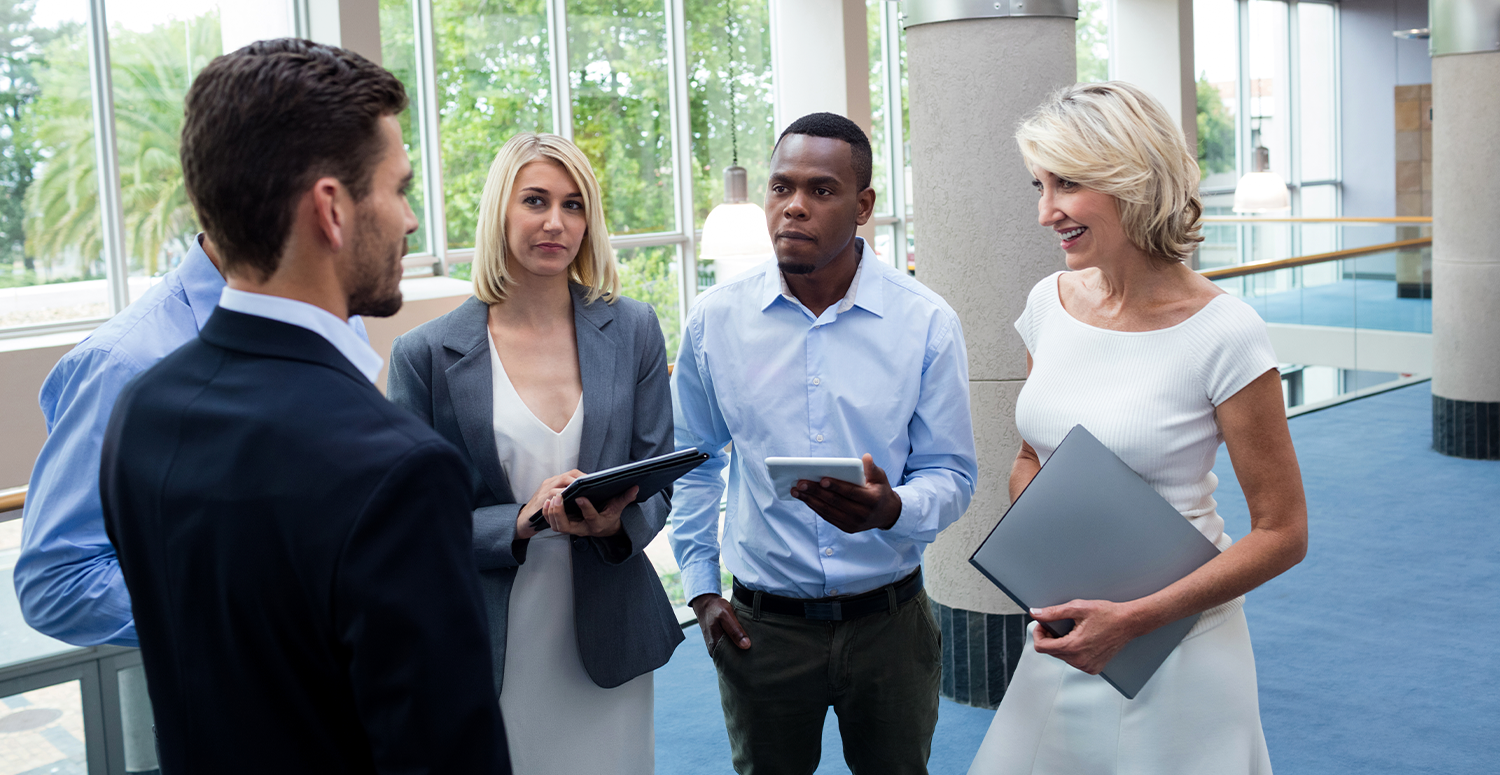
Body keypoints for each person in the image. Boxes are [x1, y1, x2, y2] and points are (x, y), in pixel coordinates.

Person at [99, 39, 508, 773]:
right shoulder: (398, 468)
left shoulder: (142, 409)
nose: (410, 219)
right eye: (398, 187)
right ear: (333, 209)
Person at [968, 82, 1308, 774]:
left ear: (1132, 180)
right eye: (1039, 184)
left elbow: (1284, 532)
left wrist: (1135, 619)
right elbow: (1033, 452)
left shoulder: (1226, 333)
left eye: (1066, 184)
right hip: (1067, 628)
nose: (1045, 212)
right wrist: (1048, 568)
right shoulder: (1048, 303)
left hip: (1179, 642)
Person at [670, 112, 979, 775]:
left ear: (863, 205)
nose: (794, 207)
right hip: (762, 629)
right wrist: (699, 587)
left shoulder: (925, 322)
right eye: (781, 188)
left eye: (820, 190)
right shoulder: (716, 321)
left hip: (890, 626)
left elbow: (952, 472)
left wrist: (891, 508)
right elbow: (694, 461)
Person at [387, 132, 682, 775]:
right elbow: (408, 527)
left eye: (574, 205)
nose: (556, 222)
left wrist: (616, 523)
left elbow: (659, 479)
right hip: (491, 637)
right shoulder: (425, 355)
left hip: (608, 630)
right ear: (501, 212)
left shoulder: (631, 327)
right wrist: (519, 520)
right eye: (536, 200)